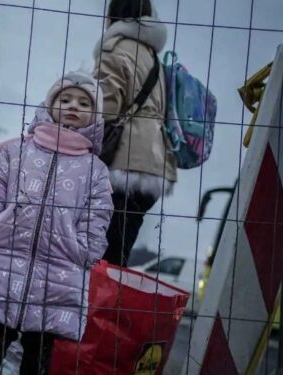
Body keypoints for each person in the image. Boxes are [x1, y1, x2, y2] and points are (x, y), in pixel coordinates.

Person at [0, 67, 113, 375]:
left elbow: (99, 214)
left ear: (95, 118)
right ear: (49, 106)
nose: (73, 107)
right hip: (4, 258)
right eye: (65, 99)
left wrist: (85, 249)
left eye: (84, 104)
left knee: (39, 349)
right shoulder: (18, 151)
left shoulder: (95, 169)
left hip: (60, 269)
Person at [93, 0, 176, 266]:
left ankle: (101, 307)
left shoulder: (115, 49)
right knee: (119, 252)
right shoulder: (153, 57)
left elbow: (104, 108)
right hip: (155, 164)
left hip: (123, 164)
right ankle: (110, 304)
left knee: (105, 254)